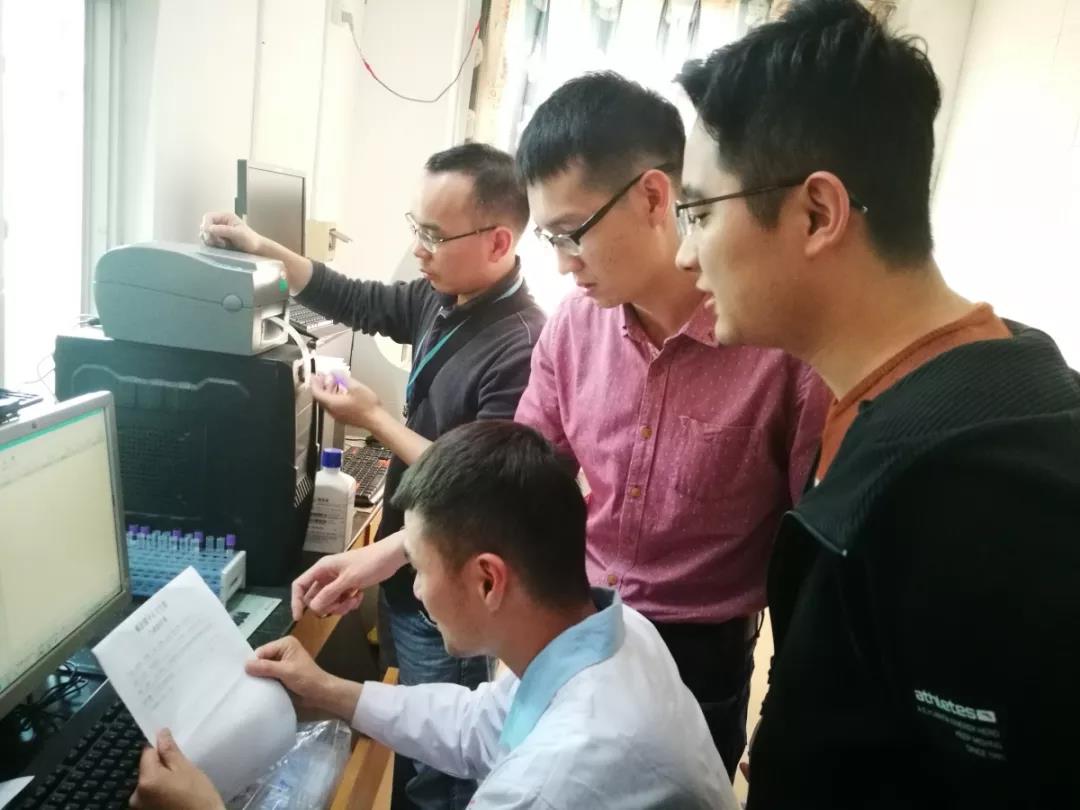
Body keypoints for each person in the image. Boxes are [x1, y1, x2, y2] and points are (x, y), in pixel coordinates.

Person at [675, 0, 1080, 806]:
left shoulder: (977, 496)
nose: (685, 255)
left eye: (700, 212)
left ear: (817, 214)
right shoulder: (931, 380)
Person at [129, 422, 739, 810]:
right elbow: (480, 725)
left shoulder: (550, 785)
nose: (415, 589)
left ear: (487, 580)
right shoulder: (615, 633)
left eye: (417, 567)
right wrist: (328, 691)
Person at [201, 143, 545, 810]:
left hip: (450, 595)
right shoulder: (441, 296)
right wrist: (259, 245)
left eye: (434, 235)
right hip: (408, 562)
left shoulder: (521, 344)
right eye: (416, 227)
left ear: (499, 241)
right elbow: (351, 297)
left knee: (441, 767)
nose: (418, 249)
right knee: (413, 742)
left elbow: (482, 486)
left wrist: (373, 417)